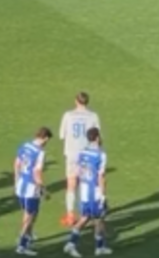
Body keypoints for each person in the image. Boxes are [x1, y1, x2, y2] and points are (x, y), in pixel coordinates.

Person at [63, 127, 112, 258]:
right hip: (94, 191)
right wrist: (103, 195)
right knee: (98, 218)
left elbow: (79, 171)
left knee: (88, 217)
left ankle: (75, 244)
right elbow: (101, 177)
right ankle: (96, 247)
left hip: (84, 190)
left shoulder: (83, 152)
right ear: (97, 137)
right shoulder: (101, 155)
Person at [60, 92, 101, 226]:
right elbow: (97, 137)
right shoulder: (93, 116)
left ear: (76, 101)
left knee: (71, 184)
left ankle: (70, 215)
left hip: (72, 154)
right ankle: (89, 211)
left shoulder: (68, 115)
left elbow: (62, 135)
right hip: (87, 155)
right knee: (87, 183)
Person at [14, 127, 52, 256]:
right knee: (30, 216)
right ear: (46, 138)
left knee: (28, 214)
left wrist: (16, 181)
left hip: (21, 186)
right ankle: (22, 244)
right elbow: (37, 173)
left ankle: (27, 235)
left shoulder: (25, 145)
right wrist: (43, 189)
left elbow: (17, 163)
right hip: (31, 189)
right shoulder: (40, 152)